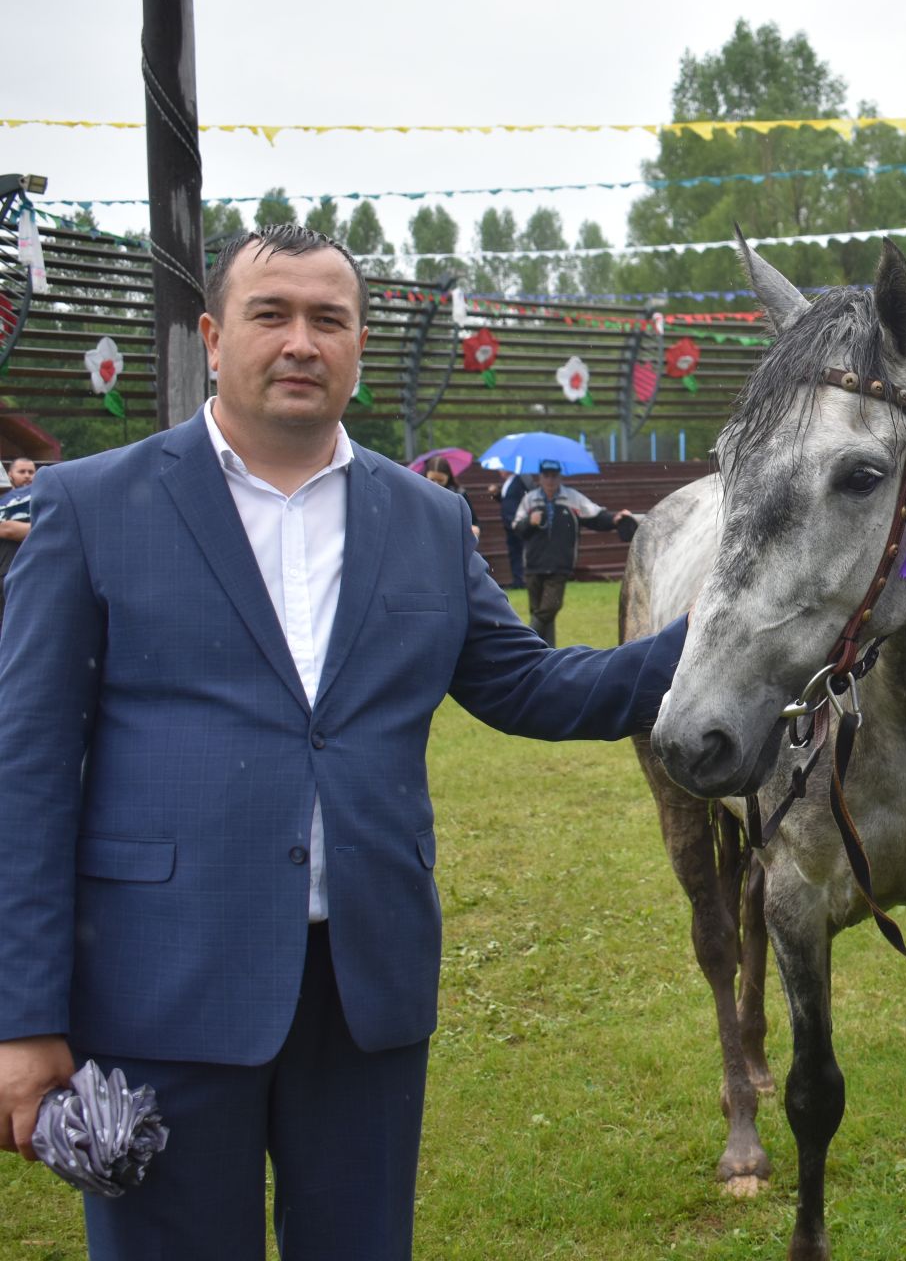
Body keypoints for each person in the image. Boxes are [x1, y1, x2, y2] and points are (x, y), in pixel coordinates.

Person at [0, 224, 688, 1260]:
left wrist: (726, 632)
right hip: (160, 989)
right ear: (211, 335)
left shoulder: (424, 519)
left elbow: (533, 685)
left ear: (358, 343)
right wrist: (22, 1013)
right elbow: (28, 770)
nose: (300, 341)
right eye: (270, 314)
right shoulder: (92, 505)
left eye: (329, 319)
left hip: (364, 987)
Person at [512, 459, 630, 646]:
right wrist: (529, 522)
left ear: (560, 477)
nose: (550, 480)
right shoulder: (529, 500)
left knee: (550, 607)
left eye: (554, 476)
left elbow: (595, 516)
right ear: (540, 478)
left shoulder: (573, 498)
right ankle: (545, 652)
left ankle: (525, 640)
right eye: (546, 476)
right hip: (534, 564)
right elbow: (517, 528)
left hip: (560, 564)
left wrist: (614, 519)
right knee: (539, 612)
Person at [0, 460, 32, 632]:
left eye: (31, 471)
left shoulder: (42, 494)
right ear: (10, 474)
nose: (27, 475)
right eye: (22, 471)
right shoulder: (6, 501)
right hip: (8, 570)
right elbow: (7, 529)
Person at [420, 453, 481, 542]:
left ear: (448, 477)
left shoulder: (459, 494)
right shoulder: (420, 493)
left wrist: (475, 529)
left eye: (441, 480)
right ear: (426, 475)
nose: (436, 484)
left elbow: (474, 522)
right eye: (432, 480)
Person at [495, 467, 529, 588]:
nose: (499, 471)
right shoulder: (507, 482)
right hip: (508, 523)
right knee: (514, 552)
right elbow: (507, 501)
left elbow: (522, 499)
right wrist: (496, 495)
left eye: (501, 468)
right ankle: (517, 579)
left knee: (520, 551)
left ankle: (524, 579)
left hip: (516, 521)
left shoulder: (519, 481)